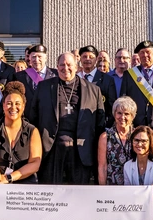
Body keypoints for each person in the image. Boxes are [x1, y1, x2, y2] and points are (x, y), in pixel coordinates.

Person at [33, 53, 104, 184]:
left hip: (81, 150)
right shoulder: (43, 87)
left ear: (76, 67)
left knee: (78, 194)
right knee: (51, 192)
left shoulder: (94, 90)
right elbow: (33, 117)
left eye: (69, 65)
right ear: (57, 66)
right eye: (62, 65)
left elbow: (99, 124)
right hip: (51, 148)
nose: (65, 68)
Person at [0, 81, 42, 184]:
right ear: (3, 105)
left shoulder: (33, 131)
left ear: (23, 106)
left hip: (25, 184)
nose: (13, 107)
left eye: (17, 104)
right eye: (9, 103)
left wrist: (9, 178)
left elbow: (35, 163)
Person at [97, 96, 136, 185]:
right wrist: (102, 191)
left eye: (126, 114)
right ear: (114, 114)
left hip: (133, 186)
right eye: (119, 113)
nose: (122, 117)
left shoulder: (137, 135)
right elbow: (102, 167)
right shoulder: (105, 137)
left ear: (132, 116)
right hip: (112, 187)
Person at [78, 45, 118, 126]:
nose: (87, 59)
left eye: (91, 57)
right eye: (84, 57)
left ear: (96, 59)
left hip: (99, 124)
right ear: (80, 59)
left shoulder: (107, 80)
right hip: (79, 125)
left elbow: (112, 105)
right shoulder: (76, 78)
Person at [13, 44, 58, 113]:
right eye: (33, 57)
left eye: (39, 56)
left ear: (46, 58)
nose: (36, 60)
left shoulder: (56, 74)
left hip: (49, 117)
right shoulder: (20, 76)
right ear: (30, 59)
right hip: (28, 117)